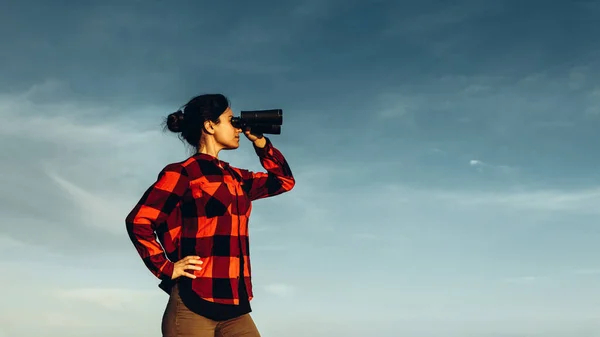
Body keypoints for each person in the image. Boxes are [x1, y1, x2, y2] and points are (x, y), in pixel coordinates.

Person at [125, 93, 295, 337]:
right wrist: (165, 267)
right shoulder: (182, 172)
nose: (237, 128)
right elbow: (139, 220)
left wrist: (261, 143)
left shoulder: (237, 177)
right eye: (230, 120)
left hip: (235, 306)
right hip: (194, 302)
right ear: (210, 126)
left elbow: (284, 181)